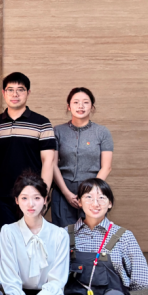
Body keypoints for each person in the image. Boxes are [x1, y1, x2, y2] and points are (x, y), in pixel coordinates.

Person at [0, 72, 56, 228]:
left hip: (32, 194)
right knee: (7, 237)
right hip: (3, 194)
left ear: (28, 93)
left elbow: (48, 161)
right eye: (10, 90)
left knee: (32, 236)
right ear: (3, 93)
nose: (15, 94)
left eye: (20, 90)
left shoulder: (42, 123)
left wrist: (43, 194)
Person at [51, 88, 114, 228]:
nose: (81, 106)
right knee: (62, 233)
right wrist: (66, 193)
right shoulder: (57, 131)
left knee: (91, 232)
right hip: (63, 188)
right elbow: (52, 165)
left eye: (85, 102)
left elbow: (107, 167)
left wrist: (90, 192)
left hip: (93, 189)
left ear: (92, 107)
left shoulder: (102, 132)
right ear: (69, 106)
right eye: (76, 102)